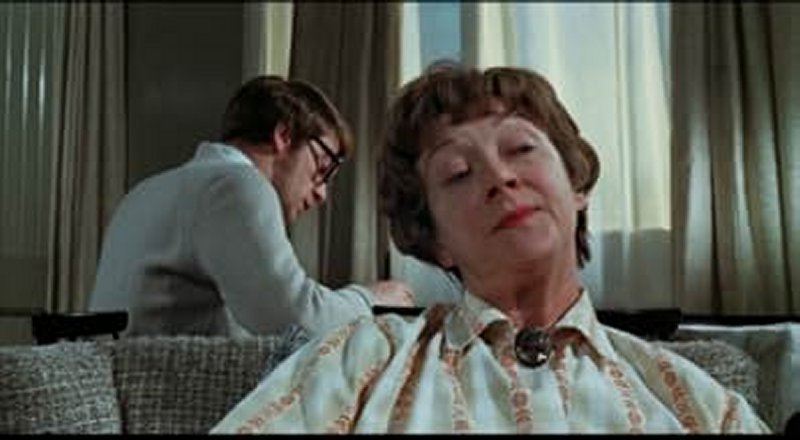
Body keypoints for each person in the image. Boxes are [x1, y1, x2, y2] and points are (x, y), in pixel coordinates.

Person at [209, 63, 770, 433]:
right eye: (457, 173)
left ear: (576, 185)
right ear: (435, 239)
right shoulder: (359, 359)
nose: (499, 177)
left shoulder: (696, 400)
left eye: (522, 148)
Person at [88, 75, 413, 338]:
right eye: (323, 166)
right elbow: (298, 319)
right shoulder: (234, 185)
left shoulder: (146, 191)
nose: (322, 193)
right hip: (172, 395)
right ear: (283, 135)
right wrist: (371, 299)